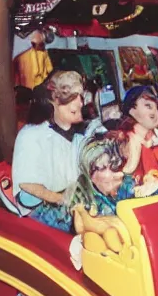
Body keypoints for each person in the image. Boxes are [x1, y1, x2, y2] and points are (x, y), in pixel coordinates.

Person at [13, 70, 102, 232]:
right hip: (41, 208)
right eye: (73, 97)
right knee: (92, 230)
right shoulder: (31, 134)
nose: (80, 103)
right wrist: (64, 200)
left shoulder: (79, 134)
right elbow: (27, 184)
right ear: (52, 101)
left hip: (72, 199)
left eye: (81, 96)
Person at [118, 85, 158, 193]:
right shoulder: (123, 141)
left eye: (156, 108)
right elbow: (121, 183)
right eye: (148, 106)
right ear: (132, 111)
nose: (154, 113)